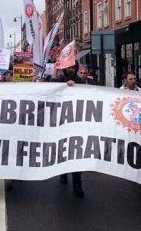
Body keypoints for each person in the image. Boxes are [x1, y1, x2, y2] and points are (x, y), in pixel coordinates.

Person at [51, 61, 85, 198]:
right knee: (63, 149)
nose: (71, 69)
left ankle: (77, 182)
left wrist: (75, 87)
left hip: (76, 122)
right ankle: (63, 172)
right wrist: (55, 69)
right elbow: (50, 88)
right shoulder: (59, 79)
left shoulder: (81, 81)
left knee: (77, 153)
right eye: (68, 67)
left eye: (73, 67)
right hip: (61, 122)